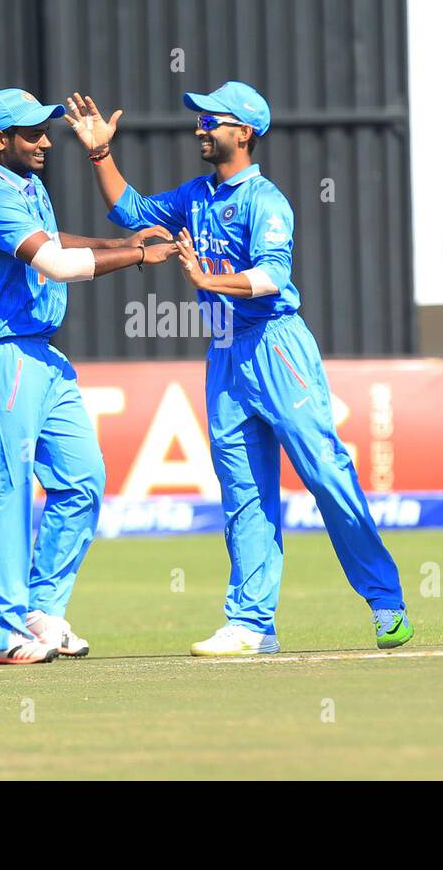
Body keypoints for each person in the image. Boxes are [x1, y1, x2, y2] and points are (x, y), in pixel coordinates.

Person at [65, 82, 413, 656]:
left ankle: (386, 603)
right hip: (226, 354)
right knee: (244, 491)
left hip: (277, 347)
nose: (200, 127)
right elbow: (130, 212)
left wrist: (205, 281)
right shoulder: (195, 195)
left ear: (244, 132)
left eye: (212, 120)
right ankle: (252, 623)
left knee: (325, 473)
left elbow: (272, 276)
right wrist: (100, 152)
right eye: (200, 119)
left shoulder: (266, 200)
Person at [0, 88, 176, 665]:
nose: (46, 142)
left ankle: (42, 613)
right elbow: (53, 264)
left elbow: (56, 243)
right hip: (0, 354)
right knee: (6, 492)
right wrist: (136, 257)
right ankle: (3, 629)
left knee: (83, 478)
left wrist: (120, 241)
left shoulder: (28, 187)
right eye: (33, 134)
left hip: (41, 356)